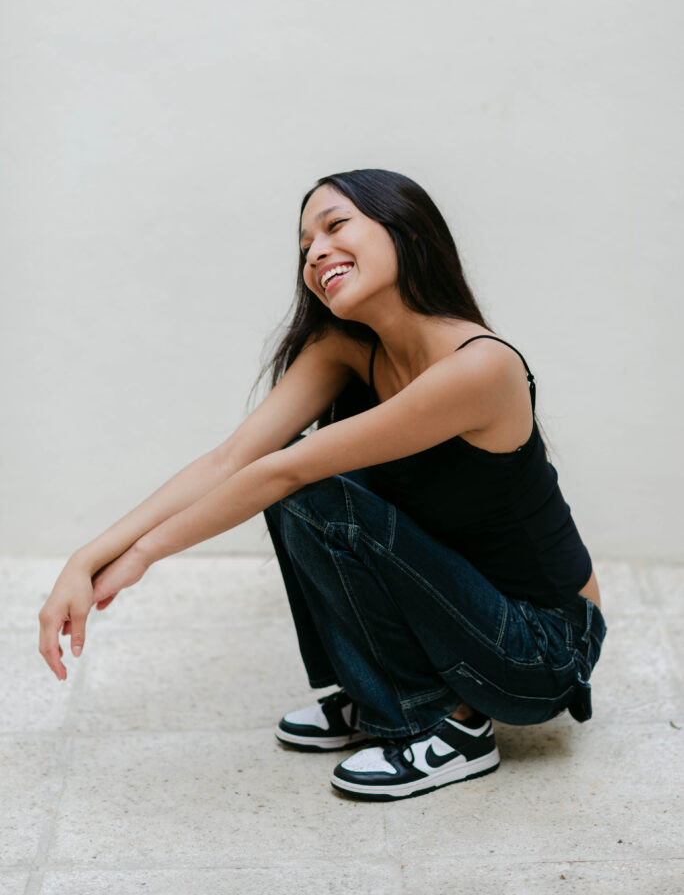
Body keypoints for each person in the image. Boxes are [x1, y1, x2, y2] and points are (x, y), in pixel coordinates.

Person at [39, 168, 606, 802]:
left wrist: (140, 557)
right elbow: (231, 460)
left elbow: (282, 470)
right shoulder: (347, 348)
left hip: (542, 652)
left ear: (406, 228)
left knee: (308, 485)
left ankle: (447, 725)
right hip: (468, 621)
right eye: (305, 244)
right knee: (295, 483)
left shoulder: (481, 367)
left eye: (336, 226)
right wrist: (88, 558)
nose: (315, 252)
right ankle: (376, 691)